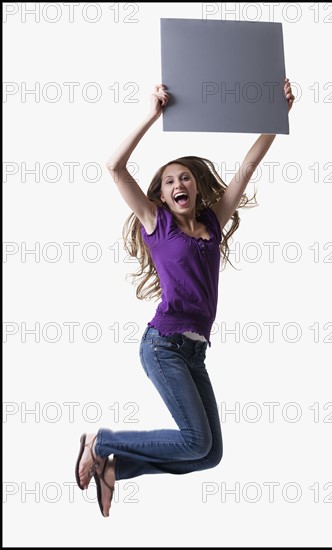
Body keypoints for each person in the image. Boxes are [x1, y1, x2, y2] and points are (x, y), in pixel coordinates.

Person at [75, 80, 295, 517]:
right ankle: (100, 441)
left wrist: (278, 114)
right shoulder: (157, 221)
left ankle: (116, 469)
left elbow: (246, 170)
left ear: (195, 188)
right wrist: (151, 115)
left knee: (208, 454)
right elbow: (115, 167)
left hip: (195, 353)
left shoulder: (212, 222)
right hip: (163, 345)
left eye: (185, 178)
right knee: (195, 440)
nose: (179, 184)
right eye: (170, 180)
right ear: (161, 194)